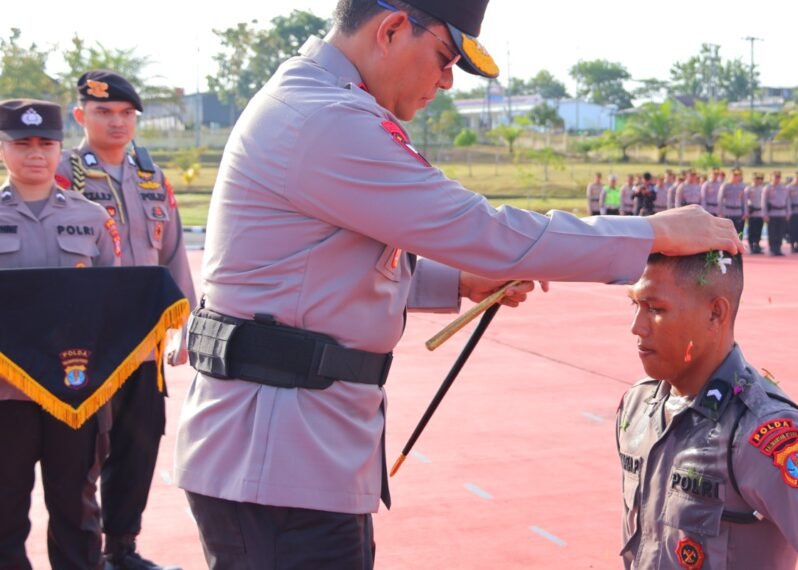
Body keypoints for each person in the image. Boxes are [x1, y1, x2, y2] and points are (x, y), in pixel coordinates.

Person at [173, 1, 740, 568]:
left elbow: (322, 270)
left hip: (291, 452)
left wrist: (462, 280)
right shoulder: (327, 118)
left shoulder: (315, 102)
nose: (446, 81)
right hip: (279, 462)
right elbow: (482, 231)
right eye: (444, 58)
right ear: (393, 29)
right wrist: (653, 232)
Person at [618, 251, 798, 569]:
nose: (637, 327)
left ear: (715, 313)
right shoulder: (638, 406)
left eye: (655, 309)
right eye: (635, 305)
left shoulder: (757, 432)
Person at [55, 70, 194, 570]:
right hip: (85, 345)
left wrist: (184, 323)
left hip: (143, 345)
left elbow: (173, 256)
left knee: (139, 444)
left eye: (125, 113)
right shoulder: (61, 176)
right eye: (103, 112)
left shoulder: (152, 179)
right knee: (81, 453)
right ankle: (81, 554)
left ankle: (121, 550)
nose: (116, 122)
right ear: (80, 116)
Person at [0, 99, 122, 570]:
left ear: (59, 148)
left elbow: (113, 304)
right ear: (4, 149)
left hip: (76, 391)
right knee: (4, 506)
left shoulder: (92, 218)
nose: (35, 153)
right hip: (6, 393)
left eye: (46, 143)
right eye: (22, 143)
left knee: (76, 506)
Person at [761, 172, 789, 256]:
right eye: (775, 177)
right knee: (772, 232)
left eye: (778, 177)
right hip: (772, 213)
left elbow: (787, 201)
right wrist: (765, 214)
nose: (777, 179)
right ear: (771, 178)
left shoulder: (784, 188)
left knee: (780, 232)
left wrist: (788, 212)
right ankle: (773, 248)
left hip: (781, 213)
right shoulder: (767, 188)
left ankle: (778, 248)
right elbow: (763, 202)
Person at [718, 168, 747, 234]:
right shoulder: (725, 186)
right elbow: (720, 200)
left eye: (738, 175)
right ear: (730, 175)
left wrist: (745, 212)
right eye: (734, 174)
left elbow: (744, 201)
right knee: (727, 233)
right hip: (728, 213)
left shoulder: (742, 186)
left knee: (738, 233)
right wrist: (720, 212)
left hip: (738, 213)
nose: (736, 176)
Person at [744, 173, 765, 254]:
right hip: (752, 213)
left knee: (758, 230)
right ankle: (751, 245)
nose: (758, 180)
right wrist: (746, 212)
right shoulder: (748, 189)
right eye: (756, 179)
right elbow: (745, 201)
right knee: (751, 230)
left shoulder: (762, 189)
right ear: (753, 179)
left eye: (759, 179)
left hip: (760, 213)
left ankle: (757, 245)